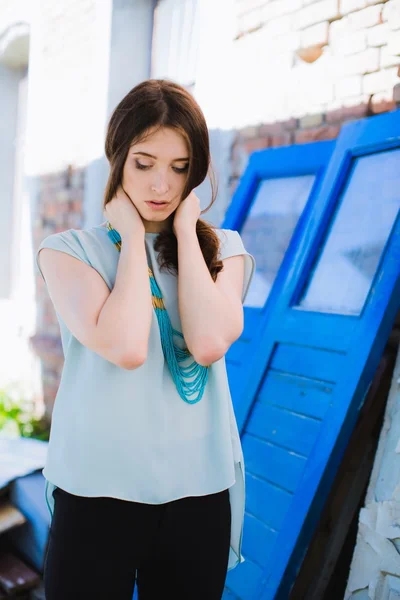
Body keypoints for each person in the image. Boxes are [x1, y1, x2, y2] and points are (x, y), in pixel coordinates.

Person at [36, 79, 255, 600]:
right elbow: (128, 346)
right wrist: (134, 239)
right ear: (118, 159)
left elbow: (206, 344)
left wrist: (183, 233)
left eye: (179, 168)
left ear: (195, 171)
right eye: (144, 162)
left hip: (197, 492)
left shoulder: (225, 250)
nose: (161, 184)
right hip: (96, 491)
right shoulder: (69, 251)